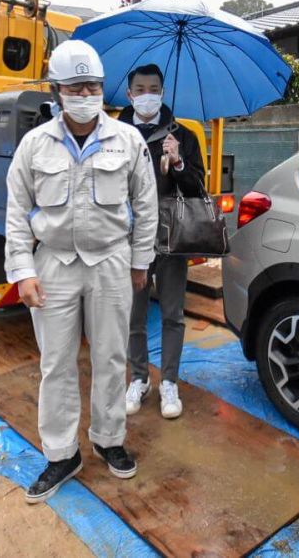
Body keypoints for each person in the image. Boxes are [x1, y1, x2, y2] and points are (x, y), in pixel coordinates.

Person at [5, 40, 159, 504]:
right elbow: (16, 211)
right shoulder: (34, 144)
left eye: (91, 85)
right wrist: (22, 270)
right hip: (53, 263)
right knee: (56, 362)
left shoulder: (128, 140)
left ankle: (110, 438)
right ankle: (61, 453)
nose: (85, 93)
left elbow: (146, 205)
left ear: (102, 89)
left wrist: (139, 261)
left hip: (111, 261)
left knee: (112, 356)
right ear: (58, 90)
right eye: (75, 86)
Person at [117, 64, 207, 419]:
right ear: (129, 95)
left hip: (171, 238)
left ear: (163, 93)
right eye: (140, 89)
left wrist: (179, 162)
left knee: (173, 313)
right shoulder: (114, 135)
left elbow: (198, 188)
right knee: (133, 316)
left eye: (153, 88)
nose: (147, 95)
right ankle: (139, 377)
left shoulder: (182, 135)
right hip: (129, 238)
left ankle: (169, 380)